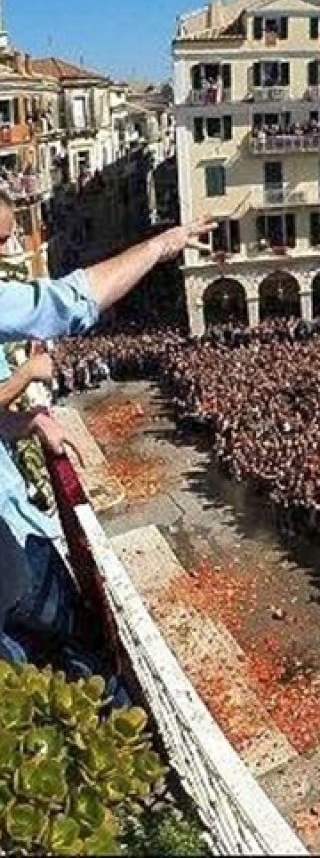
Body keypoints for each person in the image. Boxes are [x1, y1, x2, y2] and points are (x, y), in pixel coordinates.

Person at [0, 191, 213, 628]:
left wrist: (25, 421)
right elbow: (69, 302)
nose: (7, 250)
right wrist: (160, 246)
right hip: (13, 552)